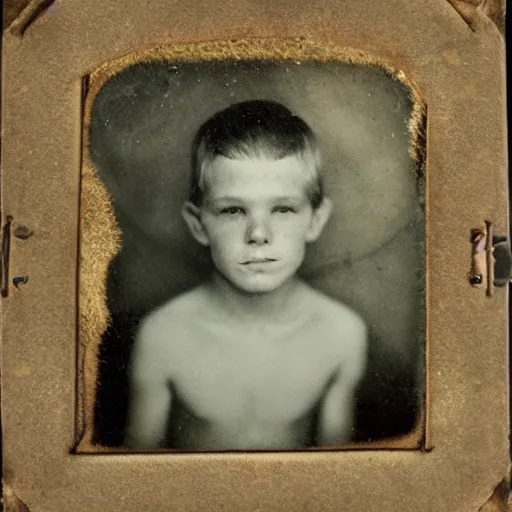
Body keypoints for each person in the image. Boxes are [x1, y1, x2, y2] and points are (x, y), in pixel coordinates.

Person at [124, 100, 368, 451]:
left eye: (283, 209)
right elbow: (132, 481)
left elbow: (337, 478)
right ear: (198, 223)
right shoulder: (163, 335)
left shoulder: (342, 332)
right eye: (233, 210)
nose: (258, 234)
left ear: (315, 219)